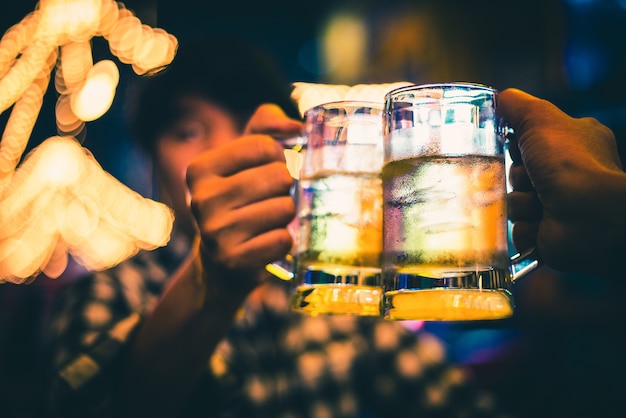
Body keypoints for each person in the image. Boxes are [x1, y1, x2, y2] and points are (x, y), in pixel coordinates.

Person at [46, 35, 506, 418]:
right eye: (188, 132)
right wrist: (211, 284)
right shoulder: (108, 294)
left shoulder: (335, 290)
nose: (224, 152)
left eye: (246, 128)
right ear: (151, 165)